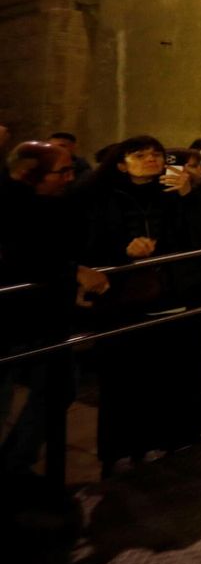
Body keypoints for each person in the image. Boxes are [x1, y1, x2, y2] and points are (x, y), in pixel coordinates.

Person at [78, 135, 201, 473]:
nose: (150, 159)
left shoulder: (173, 195)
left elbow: (196, 237)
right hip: (121, 298)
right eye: (140, 154)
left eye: (156, 154)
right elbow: (88, 245)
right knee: (121, 378)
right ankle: (117, 450)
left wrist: (189, 196)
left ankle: (157, 442)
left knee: (159, 374)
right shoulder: (101, 198)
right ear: (121, 163)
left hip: (167, 292)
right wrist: (124, 250)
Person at [0, 143, 106, 476]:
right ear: (28, 174)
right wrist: (72, 271)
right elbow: (23, 257)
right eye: (62, 171)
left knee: (57, 385)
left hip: (42, 318)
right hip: (17, 318)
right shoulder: (15, 205)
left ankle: (15, 462)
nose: (69, 178)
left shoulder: (49, 203)